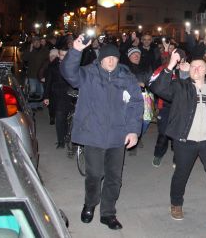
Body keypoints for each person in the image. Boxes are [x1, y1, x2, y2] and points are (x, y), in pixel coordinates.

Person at [61, 36, 144, 231]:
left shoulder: (126, 78)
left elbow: (136, 103)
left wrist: (133, 130)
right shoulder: (88, 74)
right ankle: (90, 204)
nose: (111, 61)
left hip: (118, 135)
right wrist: (76, 51)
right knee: (94, 174)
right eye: (107, 58)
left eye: (114, 58)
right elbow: (68, 73)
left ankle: (108, 213)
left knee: (114, 177)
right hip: (93, 134)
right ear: (100, 59)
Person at [150, 51, 206, 235]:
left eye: (200, 66)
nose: (196, 69)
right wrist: (170, 65)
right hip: (185, 141)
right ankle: (176, 204)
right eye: (193, 66)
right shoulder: (180, 87)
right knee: (181, 174)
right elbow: (157, 87)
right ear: (189, 70)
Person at [42, 48, 75, 148]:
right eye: (61, 55)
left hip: (72, 96)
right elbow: (48, 82)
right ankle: (61, 141)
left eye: (65, 55)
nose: (63, 57)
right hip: (59, 95)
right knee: (60, 118)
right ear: (58, 55)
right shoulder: (53, 66)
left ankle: (72, 138)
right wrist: (46, 96)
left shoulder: (74, 65)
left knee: (72, 118)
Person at [125, 47, 150, 155]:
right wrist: (136, 84)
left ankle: (138, 136)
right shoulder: (124, 69)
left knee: (146, 120)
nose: (136, 56)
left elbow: (152, 79)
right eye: (133, 55)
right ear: (129, 56)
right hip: (130, 98)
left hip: (145, 96)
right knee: (131, 118)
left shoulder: (145, 67)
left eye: (138, 55)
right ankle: (131, 139)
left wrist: (148, 85)